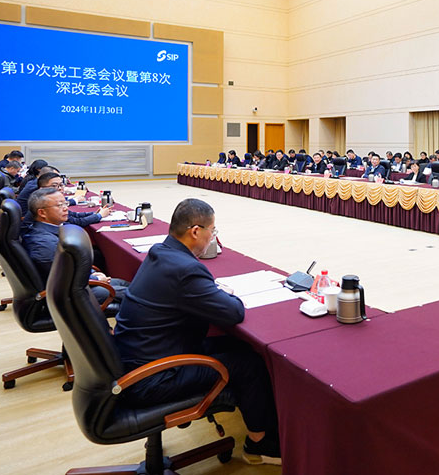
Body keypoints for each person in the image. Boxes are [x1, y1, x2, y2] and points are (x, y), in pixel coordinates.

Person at [113, 199, 281, 464]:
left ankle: (257, 425)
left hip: (142, 357)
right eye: (212, 231)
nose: (213, 237)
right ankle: (259, 445)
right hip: (152, 377)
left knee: (237, 345)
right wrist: (224, 294)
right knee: (249, 363)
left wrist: (210, 292)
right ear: (195, 231)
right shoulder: (186, 269)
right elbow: (234, 312)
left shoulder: (160, 252)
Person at [22, 188, 127, 303]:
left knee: (124, 284)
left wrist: (92, 273)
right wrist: (95, 278)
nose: (66, 208)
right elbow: (61, 276)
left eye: (65, 203)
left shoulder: (50, 229)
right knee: (133, 295)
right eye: (59, 205)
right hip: (67, 293)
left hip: (77, 282)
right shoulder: (43, 242)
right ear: (42, 213)